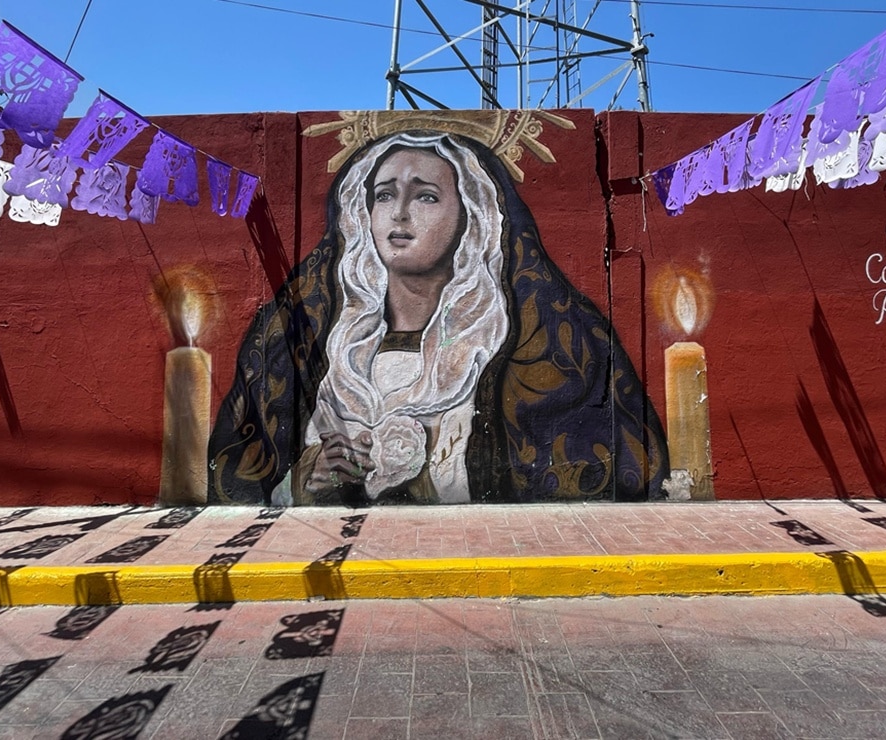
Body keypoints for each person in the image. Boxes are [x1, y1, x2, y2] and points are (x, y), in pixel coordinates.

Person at [209, 129, 667, 506]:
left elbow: (601, 474)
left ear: (473, 216)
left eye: (426, 197)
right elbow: (239, 478)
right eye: (384, 195)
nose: (400, 214)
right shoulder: (304, 339)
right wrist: (308, 477)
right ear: (362, 213)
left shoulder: (543, 340)